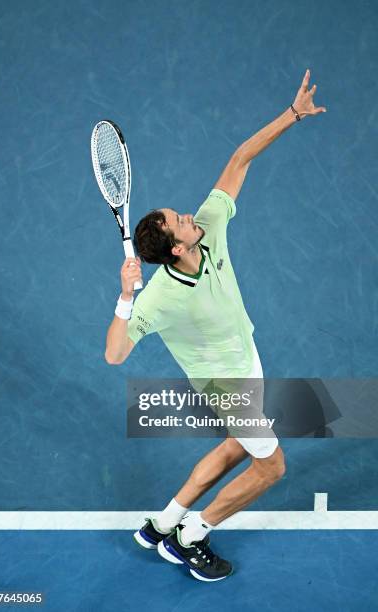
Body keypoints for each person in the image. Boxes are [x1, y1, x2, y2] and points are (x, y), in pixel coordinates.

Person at [105, 69, 326, 582]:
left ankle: (163, 523)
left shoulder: (212, 224)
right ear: (177, 249)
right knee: (271, 466)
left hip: (246, 361)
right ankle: (193, 536)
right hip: (224, 385)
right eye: (180, 220)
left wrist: (293, 114)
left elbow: (239, 158)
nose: (188, 214)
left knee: (235, 445)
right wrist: (124, 297)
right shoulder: (158, 298)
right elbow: (115, 354)